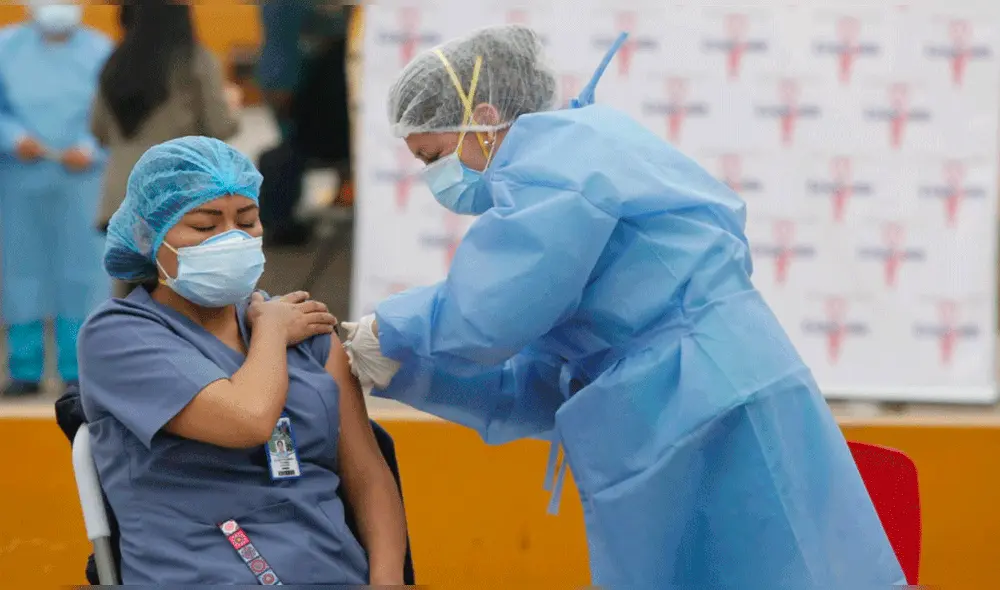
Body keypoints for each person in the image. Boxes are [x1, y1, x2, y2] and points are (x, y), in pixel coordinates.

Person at [341, 25, 907, 588]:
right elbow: (537, 383)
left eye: (434, 155)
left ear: (485, 118)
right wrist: (404, 369)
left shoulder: (559, 164)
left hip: (711, 397)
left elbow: (484, 315)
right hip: (690, 395)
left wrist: (389, 331)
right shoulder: (565, 171)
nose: (435, 179)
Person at [78, 136, 407, 585]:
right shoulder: (118, 335)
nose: (231, 238)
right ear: (148, 236)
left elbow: (368, 476)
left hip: (331, 571)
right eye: (204, 226)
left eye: (247, 221)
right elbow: (248, 420)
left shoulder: (307, 332)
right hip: (201, 575)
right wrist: (270, 332)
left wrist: (387, 582)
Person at [91, 1, 241, 297]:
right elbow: (219, 125)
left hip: (123, 194)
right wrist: (232, 107)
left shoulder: (116, 61)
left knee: (131, 290)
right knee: (179, 295)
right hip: (175, 194)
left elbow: (99, 131)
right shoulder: (194, 60)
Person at [0, 2, 112, 397]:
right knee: (21, 269)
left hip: (82, 179)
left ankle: (78, 370)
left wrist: (90, 146)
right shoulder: (6, 47)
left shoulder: (101, 50)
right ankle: (24, 367)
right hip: (18, 177)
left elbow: (115, 113)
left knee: (82, 272)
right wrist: (13, 138)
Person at [255, 0, 354, 246]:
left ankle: (282, 218)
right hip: (308, 97)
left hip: (302, 97)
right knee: (288, 151)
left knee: (286, 152)